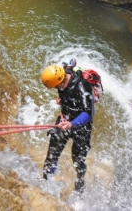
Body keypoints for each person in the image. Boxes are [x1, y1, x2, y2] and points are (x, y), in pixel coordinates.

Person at [41, 64, 95, 193]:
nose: (55, 88)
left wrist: (71, 124)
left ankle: (79, 185)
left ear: (60, 82)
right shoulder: (62, 77)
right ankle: (46, 184)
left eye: (55, 87)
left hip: (82, 126)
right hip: (64, 120)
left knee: (78, 161)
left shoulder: (82, 87)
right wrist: (63, 100)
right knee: (51, 156)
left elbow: (89, 112)